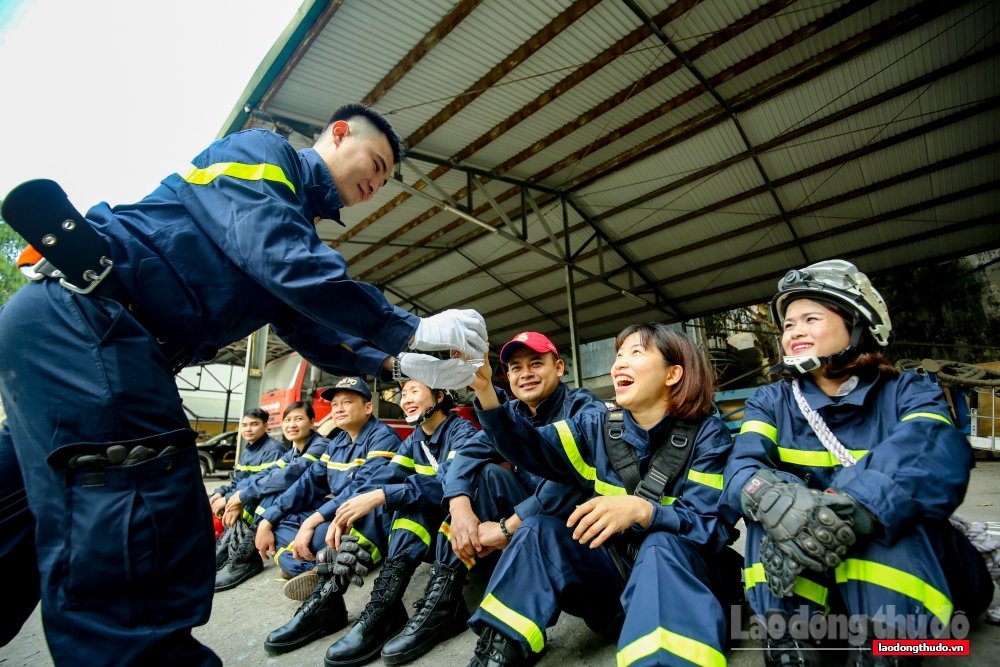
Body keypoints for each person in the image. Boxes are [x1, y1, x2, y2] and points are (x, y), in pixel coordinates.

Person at [0, 101, 488, 666]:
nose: (375, 183)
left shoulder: (291, 229)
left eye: (384, 178)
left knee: (17, 514)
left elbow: (312, 325)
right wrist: (411, 328)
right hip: (93, 324)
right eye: (374, 162)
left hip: (68, 334)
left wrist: (397, 365)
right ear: (335, 134)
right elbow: (282, 258)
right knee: (137, 540)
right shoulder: (262, 156)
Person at [721, 260, 992, 667]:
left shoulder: (908, 391)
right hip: (826, 602)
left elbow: (935, 450)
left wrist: (853, 508)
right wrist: (772, 498)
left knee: (889, 519)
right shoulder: (770, 402)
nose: (794, 330)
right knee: (770, 517)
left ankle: (888, 653)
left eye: (810, 317)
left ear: (859, 324)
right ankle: (793, 648)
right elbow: (742, 466)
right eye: (788, 324)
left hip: (935, 602)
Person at [463, 323, 739, 667]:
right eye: (619, 354)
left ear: (673, 373)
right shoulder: (597, 425)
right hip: (616, 575)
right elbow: (530, 447)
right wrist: (487, 390)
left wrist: (645, 511)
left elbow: (712, 528)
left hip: (687, 579)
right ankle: (498, 651)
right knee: (535, 529)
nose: (619, 363)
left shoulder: (708, 436)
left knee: (660, 545)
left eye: (635, 353)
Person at [373, 332, 607, 665]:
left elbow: (571, 482)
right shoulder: (511, 412)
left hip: (574, 531)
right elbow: (465, 459)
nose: (525, 373)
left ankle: (510, 623)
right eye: (515, 367)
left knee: (527, 510)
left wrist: (508, 527)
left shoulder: (585, 408)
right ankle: (444, 600)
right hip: (531, 522)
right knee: (484, 476)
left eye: (536, 363)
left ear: (559, 367)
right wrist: (459, 506)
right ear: (508, 377)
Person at [323, 379, 479, 667]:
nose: (405, 399)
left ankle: (446, 605)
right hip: (437, 537)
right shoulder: (414, 439)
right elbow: (384, 478)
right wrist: (343, 512)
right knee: (393, 500)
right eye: (403, 394)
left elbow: (450, 486)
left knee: (404, 498)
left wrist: (382, 495)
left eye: (414, 392)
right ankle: (385, 607)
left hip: (468, 533)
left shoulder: (462, 431)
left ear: (439, 396)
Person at [258, 377, 402, 655]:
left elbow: (364, 487)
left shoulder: (383, 436)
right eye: (334, 404)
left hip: (361, 518)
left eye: (347, 402)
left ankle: (321, 572)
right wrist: (268, 518)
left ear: (368, 407)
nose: (338, 408)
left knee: (309, 538)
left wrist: (313, 521)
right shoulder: (336, 443)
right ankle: (320, 565)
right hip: (335, 519)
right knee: (279, 529)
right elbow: (306, 484)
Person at [215, 401, 329, 591]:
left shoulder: (320, 446)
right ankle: (232, 550)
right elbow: (264, 474)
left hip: (323, 507)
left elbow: (290, 475)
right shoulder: (292, 452)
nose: (292, 425)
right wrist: (234, 497)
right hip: (301, 505)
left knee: (268, 492)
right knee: (257, 491)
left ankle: (246, 557)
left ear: (312, 422)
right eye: (287, 420)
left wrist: (243, 496)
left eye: (298, 419)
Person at [209, 407, 286, 572]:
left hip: (263, 501)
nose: (248, 429)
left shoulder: (273, 450)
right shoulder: (249, 449)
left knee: (240, 505)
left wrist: (231, 499)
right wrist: (221, 492)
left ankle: (243, 556)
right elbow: (238, 480)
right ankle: (219, 547)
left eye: (254, 424)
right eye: (244, 425)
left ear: (265, 427)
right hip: (245, 494)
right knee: (207, 499)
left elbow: (264, 486)